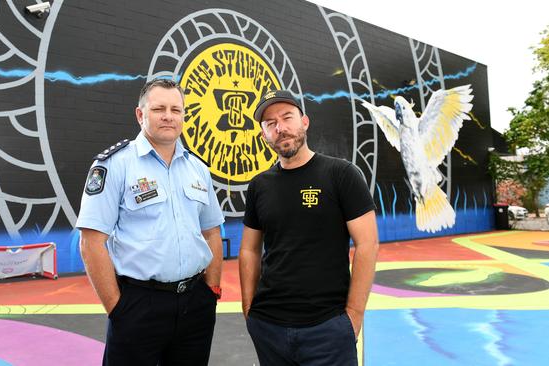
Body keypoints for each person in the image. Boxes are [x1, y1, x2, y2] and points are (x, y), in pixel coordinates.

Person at [76, 79, 225, 366]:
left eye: (176, 109)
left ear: (183, 116)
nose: (168, 116)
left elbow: (211, 233)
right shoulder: (114, 165)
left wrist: (211, 290)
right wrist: (118, 309)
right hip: (139, 305)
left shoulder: (198, 168)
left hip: (196, 304)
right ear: (140, 114)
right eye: (158, 109)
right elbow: (91, 242)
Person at [239, 90, 379, 366]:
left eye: (287, 117)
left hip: (328, 327)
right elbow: (249, 250)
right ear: (264, 135)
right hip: (269, 326)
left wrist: (353, 315)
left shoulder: (341, 174)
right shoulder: (259, 185)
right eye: (270, 124)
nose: (280, 128)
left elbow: (367, 245)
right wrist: (249, 311)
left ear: (304, 121)